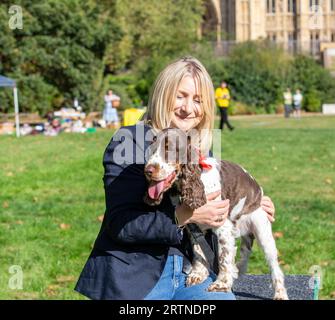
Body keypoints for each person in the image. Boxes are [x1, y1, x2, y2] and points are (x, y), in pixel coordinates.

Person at [74, 56, 276, 300]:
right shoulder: (129, 141)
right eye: (180, 96)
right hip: (136, 276)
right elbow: (121, 224)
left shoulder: (198, 150)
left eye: (198, 100)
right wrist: (182, 216)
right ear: (163, 94)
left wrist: (248, 205)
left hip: (192, 271)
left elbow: (215, 216)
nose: (188, 108)